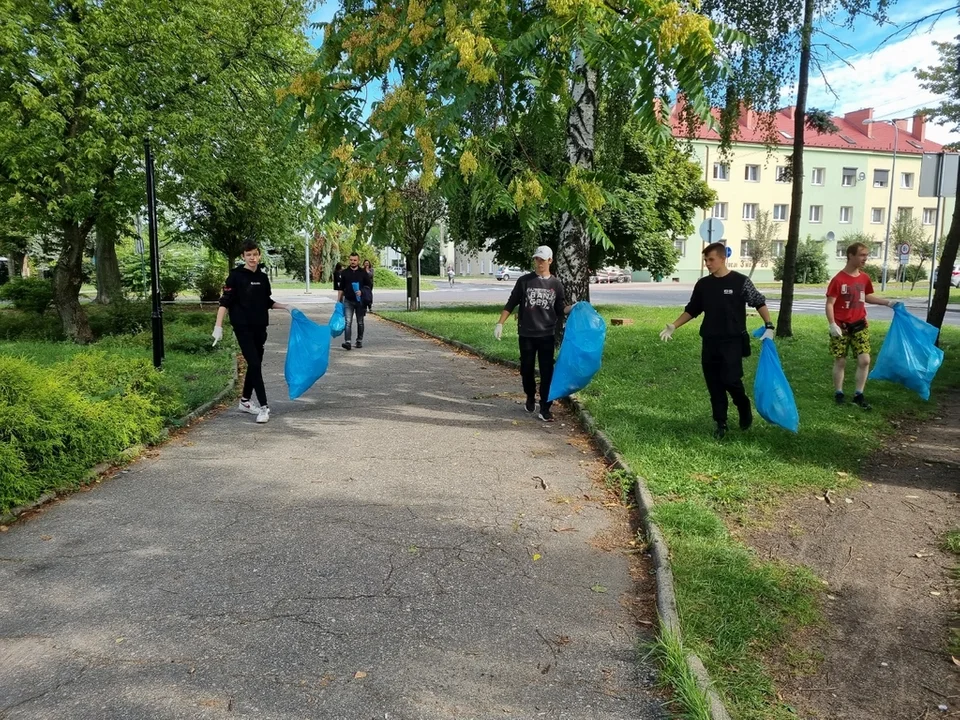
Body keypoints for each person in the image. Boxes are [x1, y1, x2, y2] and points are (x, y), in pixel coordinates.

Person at [659, 242, 775, 440]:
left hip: (733, 340)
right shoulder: (703, 285)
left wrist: (769, 326)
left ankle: (742, 404)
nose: (708, 263)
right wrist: (674, 326)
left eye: (711, 259)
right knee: (714, 384)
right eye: (705, 260)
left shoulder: (740, 281)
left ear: (723, 259)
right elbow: (692, 309)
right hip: (710, 340)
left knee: (730, 379)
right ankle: (721, 423)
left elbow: (759, 302)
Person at [212, 240, 290, 424]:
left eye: (255, 254)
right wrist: (218, 326)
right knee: (254, 364)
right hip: (243, 327)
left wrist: (287, 307)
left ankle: (245, 401)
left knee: (254, 365)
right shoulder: (235, 277)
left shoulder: (263, 278)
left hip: (260, 328)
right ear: (243, 257)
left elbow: (267, 302)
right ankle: (264, 407)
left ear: (259, 255)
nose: (252, 258)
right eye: (248, 255)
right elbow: (225, 303)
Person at [494, 246, 571, 423]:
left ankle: (545, 407)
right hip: (527, 334)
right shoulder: (524, 281)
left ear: (550, 261)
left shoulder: (556, 284)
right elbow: (511, 302)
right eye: (536, 259)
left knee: (547, 372)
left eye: (542, 260)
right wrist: (500, 323)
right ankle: (530, 395)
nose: (539, 263)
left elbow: (560, 309)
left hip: (546, 335)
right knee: (526, 370)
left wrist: (573, 308)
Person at [826, 242, 902, 410]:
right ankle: (839, 392)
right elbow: (830, 303)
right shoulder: (838, 279)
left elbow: (866, 297)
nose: (865, 258)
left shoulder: (864, 278)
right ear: (851, 256)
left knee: (865, 360)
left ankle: (858, 394)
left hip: (860, 325)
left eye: (866, 255)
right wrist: (832, 324)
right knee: (840, 361)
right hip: (841, 327)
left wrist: (888, 302)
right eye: (862, 255)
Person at [337, 252, 373, 350]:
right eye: (351, 260)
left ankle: (359, 341)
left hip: (360, 302)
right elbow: (341, 288)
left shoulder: (363, 272)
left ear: (358, 261)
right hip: (348, 300)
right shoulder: (344, 272)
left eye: (355, 260)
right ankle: (347, 342)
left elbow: (369, 286)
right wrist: (338, 301)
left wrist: (362, 291)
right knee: (347, 322)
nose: (352, 262)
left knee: (360, 322)